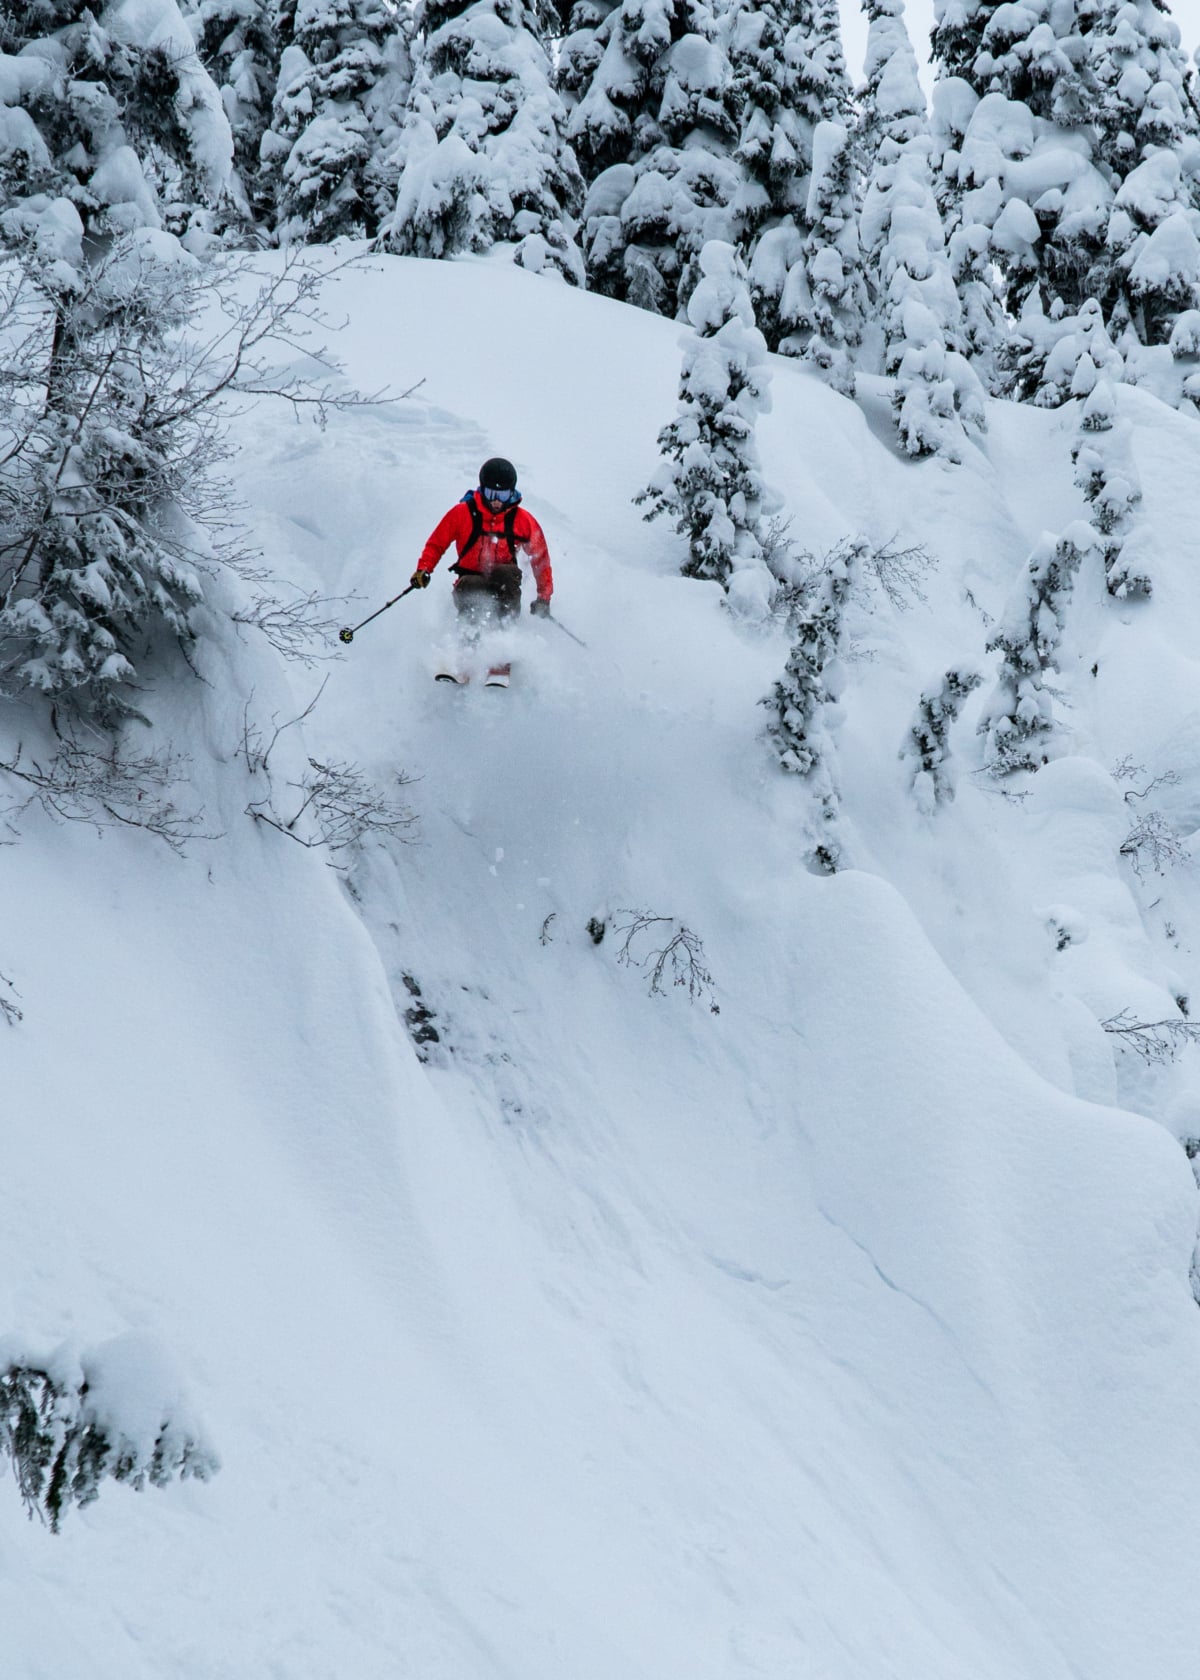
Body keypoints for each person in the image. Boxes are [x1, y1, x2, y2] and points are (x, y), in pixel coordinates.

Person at [410, 459, 553, 683]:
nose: (496, 501)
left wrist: (544, 597)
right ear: (481, 489)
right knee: (472, 588)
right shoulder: (462, 513)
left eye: (503, 495)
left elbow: (540, 560)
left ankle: (501, 656)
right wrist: (424, 569)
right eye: (490, 493)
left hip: (503, 583)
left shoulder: (522, 520)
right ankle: (465, 657)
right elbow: (436, 544)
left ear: (512, 493)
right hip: (470, 578)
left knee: (507, 575)